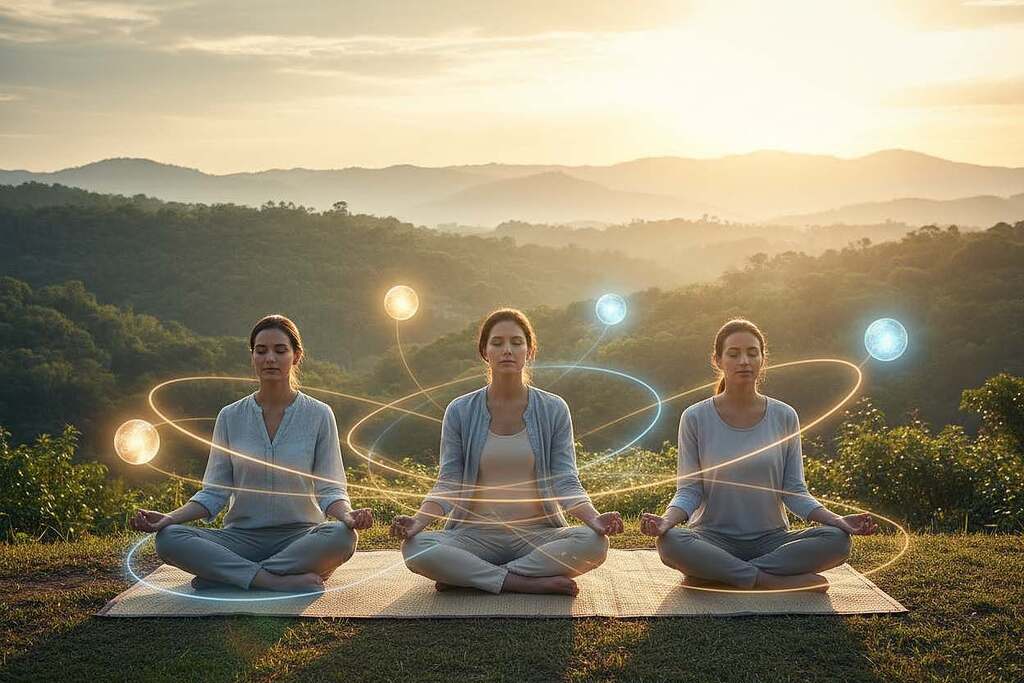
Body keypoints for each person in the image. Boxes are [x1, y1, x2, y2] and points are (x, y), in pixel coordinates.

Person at [130, 314, 373, 592]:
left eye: (280, 350)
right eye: (261, 351)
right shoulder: (230, 416)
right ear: (253, 357)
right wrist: (169, 518)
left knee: (342, 537)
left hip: (300, 537)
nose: (270, 358)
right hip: (239, 539)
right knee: (169, 539)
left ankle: (226, 575)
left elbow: (330, 488)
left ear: (296, 356)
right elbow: (214, 493)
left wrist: (348, 515)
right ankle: (271, 580)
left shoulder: (318, 414)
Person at [391, 308, 621, 596]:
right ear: (484, 352)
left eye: (516, 342)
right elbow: (449, 482)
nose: (507, 350)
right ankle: (522, 582)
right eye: (497, 343)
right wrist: (418, 522)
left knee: (594, 543)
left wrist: (594, 518)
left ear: (530, 351)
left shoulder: (554, 409)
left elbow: (566, 480)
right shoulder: (460, 411)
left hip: (537, 535)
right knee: (415, 548)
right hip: (473, 536)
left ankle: (469, 575)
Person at [640, 319, 878, 591]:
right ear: (717, 360)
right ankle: (768, 581)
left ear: (763, 359)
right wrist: (665, 522)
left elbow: (794, 491)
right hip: (712, 539)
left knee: (837, 540)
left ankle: (721, 573)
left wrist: (837, 520)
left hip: (772, 541)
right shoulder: (695, 417)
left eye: (752, 353)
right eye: (734, 353)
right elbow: (689, 491)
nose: (744, 361)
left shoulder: (784, 416)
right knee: (670, 543)